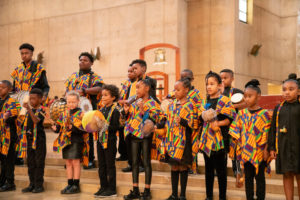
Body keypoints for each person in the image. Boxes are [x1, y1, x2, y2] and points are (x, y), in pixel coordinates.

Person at [229, 79, 271, 200]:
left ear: (258, 97)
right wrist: (236, 149)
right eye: (245, 96)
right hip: (245, 152)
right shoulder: (241, 114)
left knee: (260, 179)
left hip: (259, 152)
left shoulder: (264, 114)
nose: (247, 99)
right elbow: (235, 132)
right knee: (248, 178)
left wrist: (266, 149)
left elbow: (267, 134)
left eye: (250, 96)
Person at [199, 71, 236, 200]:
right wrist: (203, 115)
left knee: (221, 172)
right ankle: (209, 196)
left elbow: (230, 119)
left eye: (212, 84)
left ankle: (222, 197)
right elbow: (200, 119)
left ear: (220, 85)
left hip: (220, 140)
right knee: (208, 171)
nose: (209, 87)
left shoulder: (225, 100)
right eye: (207, 84)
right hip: (206, 141)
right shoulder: (205, 101)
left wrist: (218, 123)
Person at [11, 43, 50, 166]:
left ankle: (33, 154)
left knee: (30, 129)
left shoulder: (39, 68)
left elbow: (46, 87)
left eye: (26, 53)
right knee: (18, 128)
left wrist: (43, 98)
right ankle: (19, 156)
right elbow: (14, 88)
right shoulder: (17, 70)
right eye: (22, 53)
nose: (24, 55)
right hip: (19, 102)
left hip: (33, 102)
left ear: (32, 54)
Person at [123, 79, 162, 200]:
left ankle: (147, 191)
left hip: (146, 136)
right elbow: (127, 118)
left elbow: (155, 118)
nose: (136, 90)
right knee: (134, 162)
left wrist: (143, 109)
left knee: (146, 163)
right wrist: (125, 112)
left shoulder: (153, 103)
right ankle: (135, 190)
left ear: (147, 88)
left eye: (139, 87)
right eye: (136, 88)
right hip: (134, 135)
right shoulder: (134, 102)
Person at [158, 78, 196, 200]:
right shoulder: (172, 104)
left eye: (178, 89)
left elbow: (194, 124)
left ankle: (183, 195)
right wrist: (161, 122)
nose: (175, 92)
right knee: (174, 166)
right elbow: (165, 117)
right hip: (171, 141)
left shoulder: (191, 105)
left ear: (186, 90)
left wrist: (183, 121)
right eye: (174, 89)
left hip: (184, 142)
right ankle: (174, 194)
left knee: (183, 167)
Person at [65, 52, 104, 169]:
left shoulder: (95, 76)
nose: (82, 62)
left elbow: (100, 88)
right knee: (72, 134)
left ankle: (89, 159)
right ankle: (73, 158)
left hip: (87, 109)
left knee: (88, 134)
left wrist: (84, 90)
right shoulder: (73, 76)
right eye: (81, 60)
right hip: (72, 109)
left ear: (91, 63)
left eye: (85, 60)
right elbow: (67, 90)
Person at [268, 74, 300, 200]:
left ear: (298, 91)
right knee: (287, 175)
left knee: (299, 174)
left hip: (298, 147)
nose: (287, 92)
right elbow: (272, 129)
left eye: (291, 89)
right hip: (284, 147)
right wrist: (271, 148)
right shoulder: (279, 108)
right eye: (284, 89)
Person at [52, 91, 89, 194]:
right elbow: (59, 126)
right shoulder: (64, 113)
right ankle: (69, 184)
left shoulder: (82, 114)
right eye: (69, 102)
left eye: (73, 102)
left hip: (77, 141)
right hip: (66, 141)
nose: (71, 104)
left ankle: (76, 185)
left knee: (76, 163)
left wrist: (73, 128)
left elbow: (85, 129)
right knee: (68, 163)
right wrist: (55, 128)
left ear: (78, 101)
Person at [94, 85, 120, 197]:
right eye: (102, 95)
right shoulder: (101, 109)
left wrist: (105, 126)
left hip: (110, 141)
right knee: (101, 165)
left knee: (110, 165)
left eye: (106, 95)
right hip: (100, 140)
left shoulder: (116, 110)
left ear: (113, 97)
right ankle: (103, 187)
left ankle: (112, 189)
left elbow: (116, 127)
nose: (103, 97)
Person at [19, 88, 47, 193]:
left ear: (40, 99)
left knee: (39, 163)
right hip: (29, 139)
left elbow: (36, 121)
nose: (31, 101)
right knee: (30, 163)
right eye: (30, 99)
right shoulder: (27, 111)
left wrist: (29, 109)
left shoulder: (42, 110)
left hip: (39, 140)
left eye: (34, 99)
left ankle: (39, 185)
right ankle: (32, 184)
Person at [220, 68, 246, 177]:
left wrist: (230, 106)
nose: (223, 80)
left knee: (234, 149)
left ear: (232, 79)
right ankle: (221, 170)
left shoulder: (236, 92)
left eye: (225, 78)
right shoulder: (217, 92)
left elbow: (246, 103)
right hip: (221, 125)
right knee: (222, 149)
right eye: (220, 78)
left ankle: (237, 169)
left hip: (233, 126)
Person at [0, 80, 21, 192]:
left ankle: (10, 183)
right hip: (0, 135)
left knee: (8, 160)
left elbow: (13, 118)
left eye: (2, 87)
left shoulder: (13, 102)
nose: (0, 89)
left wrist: (7, 116)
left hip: (9, 135)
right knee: (2, 160)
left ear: (9, 89)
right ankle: (2, 181)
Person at [119, 65, 138, 172]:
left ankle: (136, 164)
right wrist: (123, 102)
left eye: (132, 71)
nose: (129, 73)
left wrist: (126, 102)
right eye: (128, 71)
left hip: (136, 115)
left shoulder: (139, 84)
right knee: (126, 139)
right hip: (126, 114)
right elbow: (121, 99)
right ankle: (129, 162)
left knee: (135, 142)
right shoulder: (126, 83)